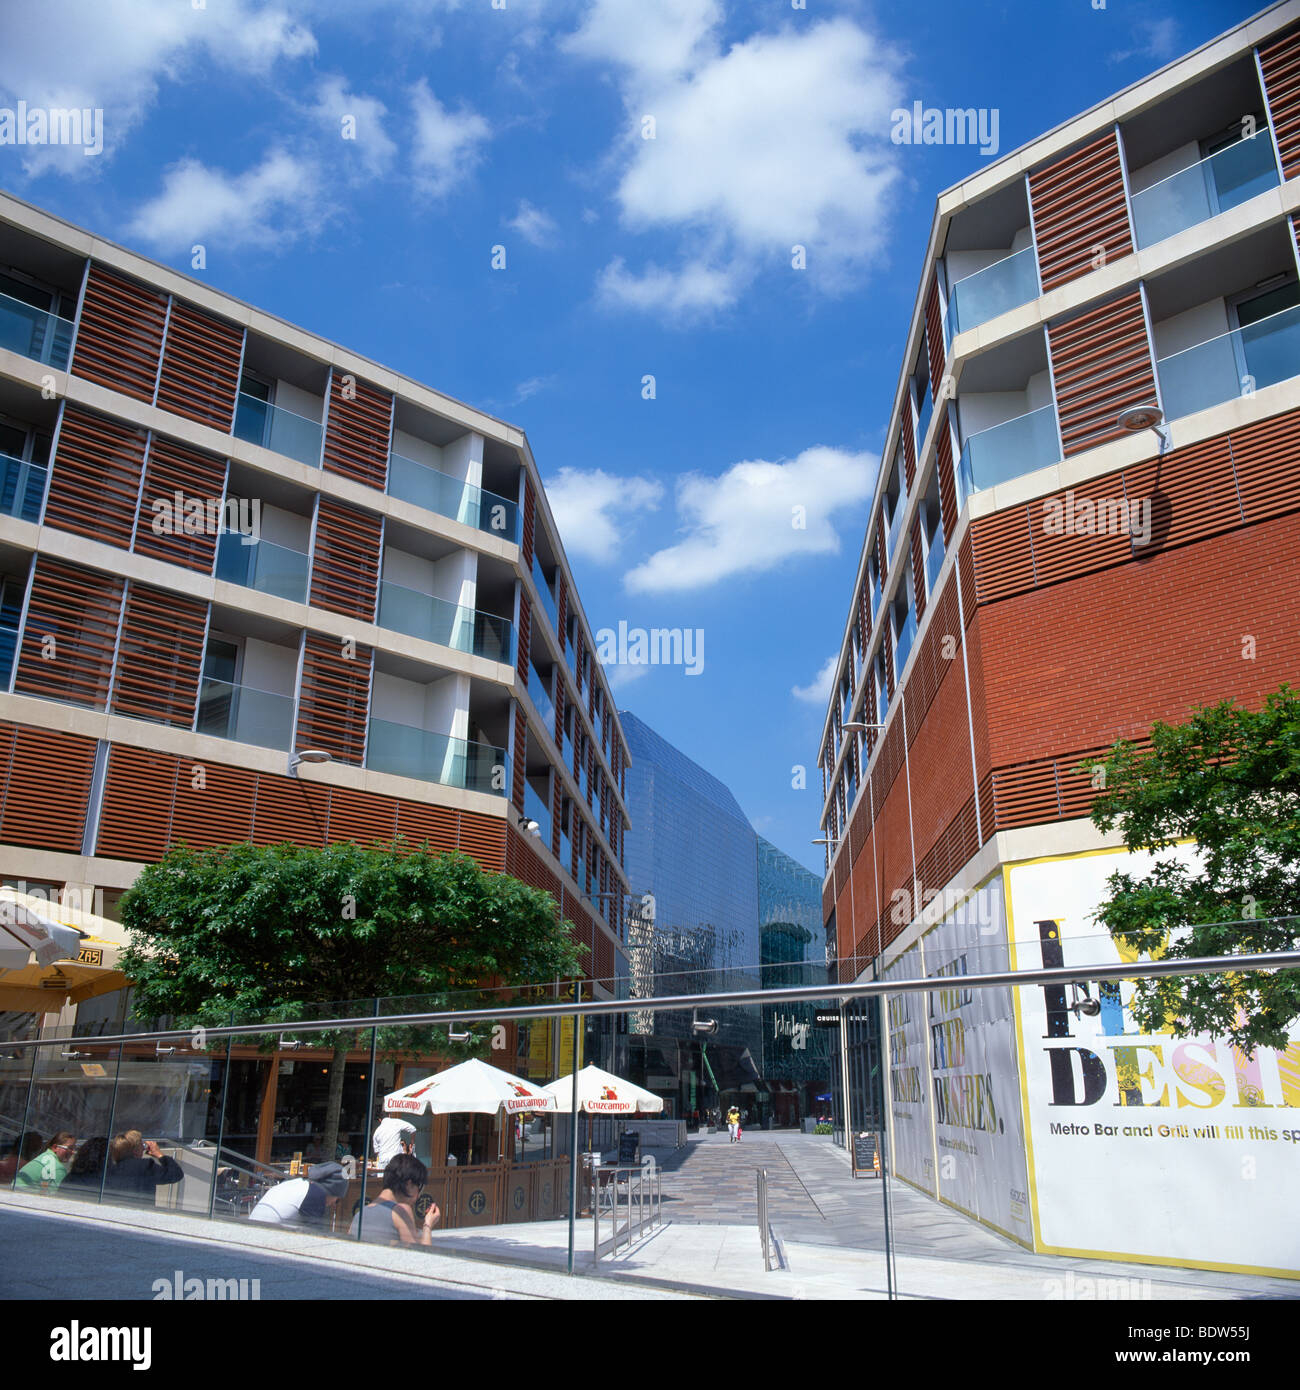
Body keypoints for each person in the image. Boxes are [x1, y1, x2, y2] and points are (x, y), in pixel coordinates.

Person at [348, 1153, 440, 1246]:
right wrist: (427, 1225)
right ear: (409, 1184)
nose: (418, 1196)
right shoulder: (401, 1211)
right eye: (419, 1188)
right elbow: (421, 1256)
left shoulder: (359, 1215)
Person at [249, 1160, 348, 1228]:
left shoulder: (296, 1184)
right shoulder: (315, 1193)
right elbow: (316, 1235)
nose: (333, 1204)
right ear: (331, 1189)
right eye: (337, 1200)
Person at [103, 1130, 184, 1198]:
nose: (143, 1148)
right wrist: (159, 1154)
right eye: (142, 1145)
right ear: (135, 1149)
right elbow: (176, 1174)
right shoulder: (145, 1166)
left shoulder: (110, 1167)